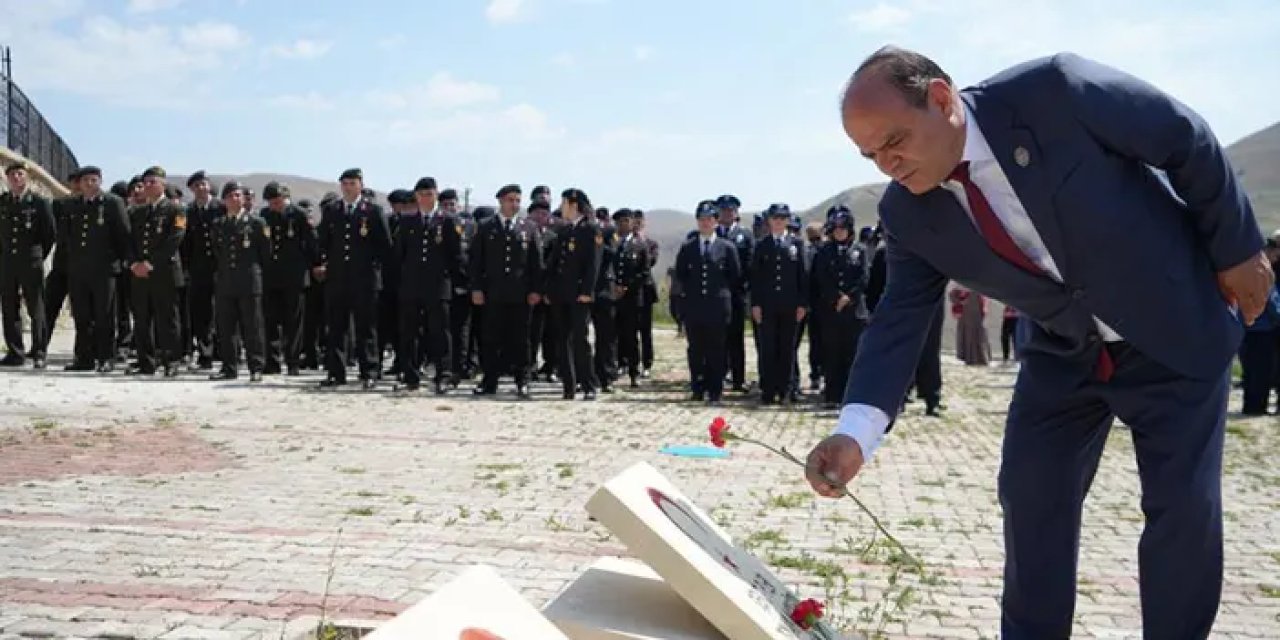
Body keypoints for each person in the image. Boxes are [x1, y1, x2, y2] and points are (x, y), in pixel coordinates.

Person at [805, 47, 1271, 639]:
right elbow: (900, 316)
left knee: (1181, 509)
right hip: (1064, 354)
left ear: (942, 100)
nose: (887, 164)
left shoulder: (1055, 93)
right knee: (1030, 497)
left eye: (894, 140)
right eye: (871, 155)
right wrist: (855, 434)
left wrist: (1237, 249)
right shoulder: (909, 214)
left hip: (1170, 327)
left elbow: (1184, 138)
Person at [314, 168, 392, 390]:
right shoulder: (333, 210)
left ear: (360, 185)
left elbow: (384, 247)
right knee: (336, 328)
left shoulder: (373, 211)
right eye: (344, 183)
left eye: (352, 183)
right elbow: (323, 242)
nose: (347, 187)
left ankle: (369, 372)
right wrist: (324, 263)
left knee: (366, 328)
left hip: (364, 279)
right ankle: (335, 372)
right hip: (338, 278)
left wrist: (374, 270)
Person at [469, 184, 544, 398]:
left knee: (521, 339)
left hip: (520, 294)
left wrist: (536, 289)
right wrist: (476, 288)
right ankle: (489, 380)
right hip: (493, 293)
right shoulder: (486, 227)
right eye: (510, 200)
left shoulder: (528, 228)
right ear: (501, 201)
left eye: (518, 200)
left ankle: (523, 381)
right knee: (490, 338)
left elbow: (535, 263)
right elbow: (476, 261)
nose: (515, 204)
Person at [393, 177, 463, 393]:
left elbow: (456, 255)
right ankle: (411, 375)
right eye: (421, 195)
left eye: (429, 194)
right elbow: (399, 255)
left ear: (436, 195)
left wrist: (457, 283)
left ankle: (443, 374)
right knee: (410, 332)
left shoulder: (448, 221)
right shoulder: (407, 222)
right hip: (412, 285)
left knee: (440, 331)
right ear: (416, 197)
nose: (425, 199)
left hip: (438, 284)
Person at [62, 166, 130, 374]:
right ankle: (84, 358)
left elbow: (123, 235)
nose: (90, 184)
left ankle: (105, 357)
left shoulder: (112, 203)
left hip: (104, 269)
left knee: (105, 315)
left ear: (100, 182)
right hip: (79, 270)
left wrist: (120, 262)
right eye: (86, 181)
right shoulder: (72, 205)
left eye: (94, 180)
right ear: (80, 184)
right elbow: (66, 238)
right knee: (82, 316)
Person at [675, 200, 740, 405]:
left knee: (717, 349)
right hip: (694, 307)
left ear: (716, 221)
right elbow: (681, 278)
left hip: (717, 308)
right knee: (695, 349)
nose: (705, 223)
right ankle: (697, 387)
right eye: (701, 219)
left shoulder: (727, 247)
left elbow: (735, 277)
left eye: (709, 219)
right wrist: (680, 309)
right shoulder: (688, 247)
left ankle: (715, 389)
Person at [125, 166, 187, 377]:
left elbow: (174, 240)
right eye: (145, 183)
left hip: (164, 272)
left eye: (153, 182)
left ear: (163, 184)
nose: (148, 186)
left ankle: (171, 360)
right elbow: (129, 241)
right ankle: (146, 362)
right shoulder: (137, 212)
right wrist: (134, 264)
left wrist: (150, 263)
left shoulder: (175, 210)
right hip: (140, 274)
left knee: (167, 318)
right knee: (142, 320)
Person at [544, 188, 602, 400]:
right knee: (562, 339)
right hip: (561, 294)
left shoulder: (590, 230)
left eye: (564, 204)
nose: (561, 208)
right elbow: (554, 264)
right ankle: (569, 385)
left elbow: (593, 265)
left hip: (579, 294)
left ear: (574, 205)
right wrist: (549, 290)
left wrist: (587, 291)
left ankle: (588, 384)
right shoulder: (565, 231)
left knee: (580, 340)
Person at [749, 204, 809, 405]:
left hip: (790, 305)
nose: (778, 222)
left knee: (787, 348)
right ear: (769, 220)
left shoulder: (797, 245)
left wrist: (802, 303)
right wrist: (755, 304)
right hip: (767, 305)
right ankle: (768, 390)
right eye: (775, 218)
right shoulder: (761, 245)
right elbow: (755, 278)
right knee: (767, 348)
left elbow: (803, 275)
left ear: (787, 220)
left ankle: (786, 390)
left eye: (782, 218)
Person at [209, 182, 268, 382]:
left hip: (249, 280)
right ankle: (229, 366)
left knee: (253, 326)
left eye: (238, 195)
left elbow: (264, 253)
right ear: (224, 200)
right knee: (226, 327)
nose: (235, 199)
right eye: (230, 196)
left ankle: (256, 367)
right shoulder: (219, 224)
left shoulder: (256, 223)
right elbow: (217, 252)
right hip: (226, 281)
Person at [0, 162, 56, 369]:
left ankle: (39, 351)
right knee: (9, 306)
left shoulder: (39, 203)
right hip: (7, 262)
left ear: (27, 177)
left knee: (36, 307)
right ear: (7, 178)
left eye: (20, 174)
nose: (16, 178)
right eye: (12, 174)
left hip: (31, 261)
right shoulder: (3, 202)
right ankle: (15, 352)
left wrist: (38, 255)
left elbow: (49, 234)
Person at [261, 181, 317, 376]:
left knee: (293, 321)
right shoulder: (264, 216)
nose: (275, 206)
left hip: (294, 275)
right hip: (271, 275)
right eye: (271, 202)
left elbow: (311, 243)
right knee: (270, 320)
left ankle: (293, 361)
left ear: (286, 198)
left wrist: (315, 266)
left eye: (278, 201)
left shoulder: (299, 215)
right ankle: (272, 361)